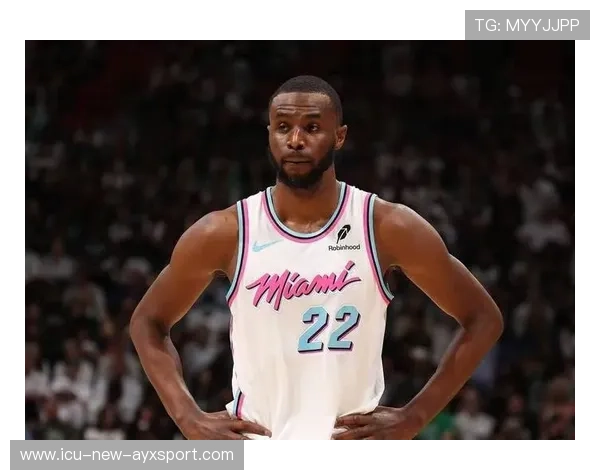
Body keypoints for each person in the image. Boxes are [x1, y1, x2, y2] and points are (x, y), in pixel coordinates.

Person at [129, 75, 504, 440]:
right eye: (283, 127)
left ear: (339, 136)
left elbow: (483, 318)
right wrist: (188, 418)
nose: (295, 140)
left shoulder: (385, 226)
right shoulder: (226, 232)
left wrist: (414, 417)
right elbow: (147, 321)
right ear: (269, 134)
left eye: (311, 128)